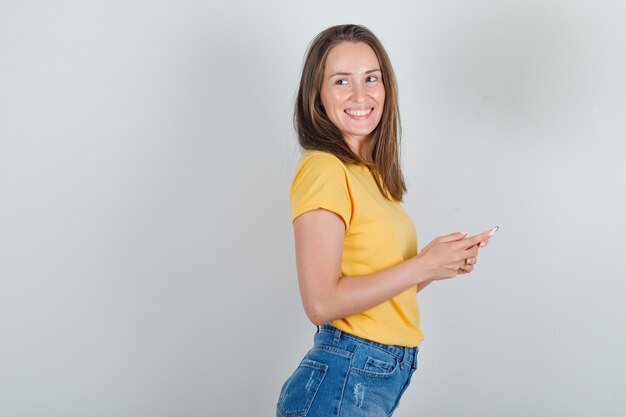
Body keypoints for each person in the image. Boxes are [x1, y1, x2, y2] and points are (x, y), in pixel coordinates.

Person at [276, 24, 496, 417]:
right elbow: (321, 301)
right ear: (317, 95)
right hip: (345, 377)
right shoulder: (323, 168)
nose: (360, 95)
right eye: (342, 81)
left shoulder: (370, 174)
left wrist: (436, 263)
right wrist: (422, 264)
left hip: (371, 375)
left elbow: (375, 291)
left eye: (371, 78)